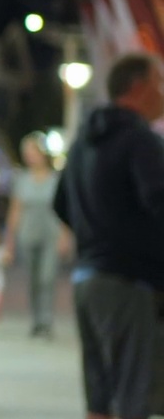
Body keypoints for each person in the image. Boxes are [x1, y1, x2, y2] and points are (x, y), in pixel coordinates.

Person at [54, 53, 164, 419]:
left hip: (87, 280)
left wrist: (95, 237)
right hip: (129, 284)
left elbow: (61, 202)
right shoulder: (139, 138)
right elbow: (158, 198)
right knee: (135, 397)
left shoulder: (84, 139)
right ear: (139, 87)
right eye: (158, 83)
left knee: (99, 401)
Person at [4, 131, 68, 338]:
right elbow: (15, 210)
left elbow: (64, 209)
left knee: (47, 278)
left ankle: (46, 320)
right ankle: (35, 320)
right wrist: (10, 241)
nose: (30, 156)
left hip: (51, 234)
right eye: (27, 152)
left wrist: (66, 236)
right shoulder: (22, 180)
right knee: (32, 278)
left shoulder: (56, 179)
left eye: (33, 151)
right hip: (28, 234)